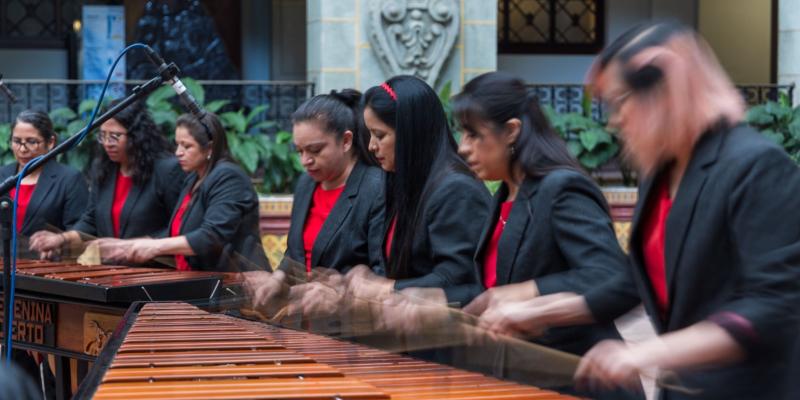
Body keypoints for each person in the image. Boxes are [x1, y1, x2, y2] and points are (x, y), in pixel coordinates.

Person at [476, 22, 800, 400]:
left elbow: (774, 305)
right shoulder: (660, 175)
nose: (615, 120)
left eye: (620, 101)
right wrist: (540, 312)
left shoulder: (756, 165)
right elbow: (633, 281)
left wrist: (647, 353)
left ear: (667, 92)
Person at [451, 72, 638, 399]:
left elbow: (608, 274)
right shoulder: (503, 196)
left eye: (473, 134)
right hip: (526, 378)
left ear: (511, 131)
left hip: (581, 377)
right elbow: (496, 289)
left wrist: (526, 292)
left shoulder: (561, 187)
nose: (463, 148)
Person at [352, 75, 491, 302]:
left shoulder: (456, 190)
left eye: (380, 135)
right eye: (370, 135)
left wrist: (387, 288)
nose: (371, 146)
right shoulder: (404, 182)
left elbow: (457, 277)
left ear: (411, 132)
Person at [244, 89, 385, 314]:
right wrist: (277, 278)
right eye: (299, 151)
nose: (305, 161)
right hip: (305, 320)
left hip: (351, 326)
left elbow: (382, 271)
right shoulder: (306, 184)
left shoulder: (375, 187)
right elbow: (295, 252)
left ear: (346, 141)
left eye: (315, 150)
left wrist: (341, 293)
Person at [96, 112, 269, 272]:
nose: (178, 153)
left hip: (235, 284)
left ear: (209, 148)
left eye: (187, 146)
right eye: (177, 144)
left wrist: (154, 247)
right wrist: (127, 245)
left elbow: (212, 236)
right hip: (198, 280)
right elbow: (177, 234)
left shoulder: (228, 177)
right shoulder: (192, 178)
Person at [29, 100, 184, 255]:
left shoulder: (166, 170)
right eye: (103, 136)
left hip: (155, 270)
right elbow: (90, 220)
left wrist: (134, 246)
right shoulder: (104, 168)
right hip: (113, 270)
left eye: (115, 136)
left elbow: (180, 226)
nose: (107, 143)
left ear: (137, 136)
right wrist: (62, 239)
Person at [0, 110, 87, 238]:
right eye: (17, 141)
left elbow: (79, 230)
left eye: (31, 142)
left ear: (50, 142)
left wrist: (58, 242)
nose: (22, 149)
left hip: (48, 257)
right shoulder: (3, 174)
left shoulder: (69, 179)